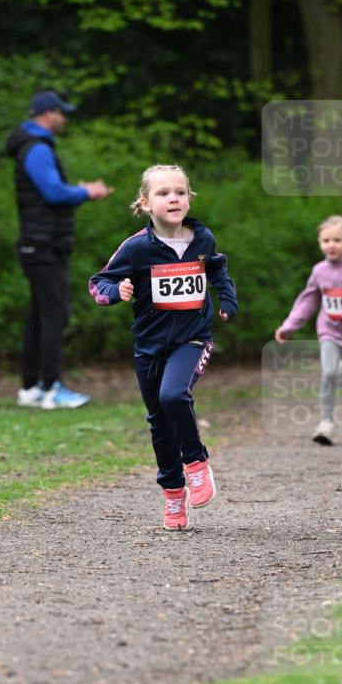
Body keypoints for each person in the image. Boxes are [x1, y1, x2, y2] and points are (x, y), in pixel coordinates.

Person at [88, 164, 237, 531]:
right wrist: (116, 291)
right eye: (163, 193)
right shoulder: (137, 248)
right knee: (158, 421)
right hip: (149, 346)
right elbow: (98, 282)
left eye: (180, 192)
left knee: (174, 395)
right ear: (145, 203)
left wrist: (227, 299)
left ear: (189, 198)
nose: (173, 198)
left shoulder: (202, 239)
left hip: (193, 338)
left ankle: (196, 463)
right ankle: (173, 493)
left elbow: (217, 269)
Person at [6, 90, 113, 409]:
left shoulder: (32, 146)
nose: (64, 118)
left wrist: (76, 191)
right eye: (60, 113)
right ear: (46, 114)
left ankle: (31, 387)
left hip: (38, 243)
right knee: (55, 313)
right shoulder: (37, 148)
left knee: (39, 314)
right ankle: (51, 387)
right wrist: (86, 191)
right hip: (44, 245)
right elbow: (53, 192)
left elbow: (50, 190)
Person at [274, 215, 342, 445]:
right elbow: (309, 300)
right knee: (329, 373)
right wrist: (289, 326)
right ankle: (326, 423)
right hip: (329, 331)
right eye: (326, 240)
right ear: (320, 243)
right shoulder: (320, 270)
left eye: (337, 240)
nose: (331, 245)